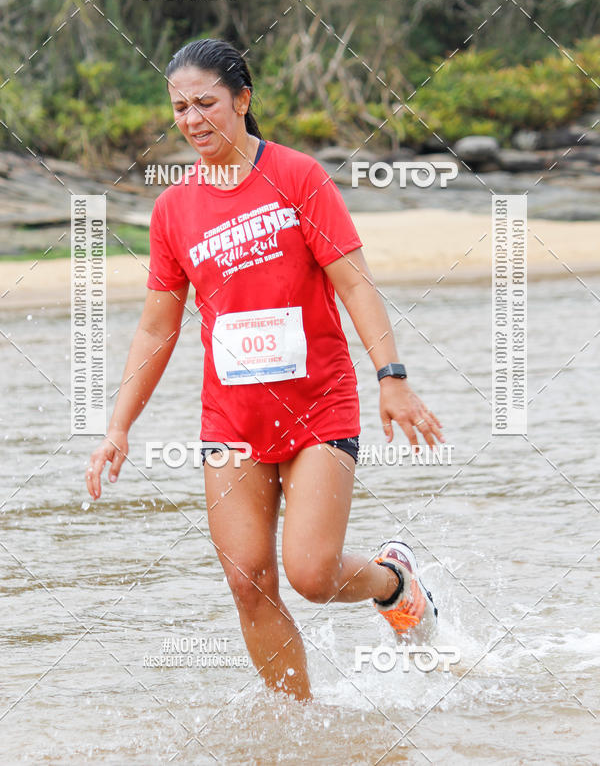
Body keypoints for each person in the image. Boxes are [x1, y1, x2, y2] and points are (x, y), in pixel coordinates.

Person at [87, 38, 445, 702]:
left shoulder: (299, 177)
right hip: (233, 420)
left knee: (311, 574)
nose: (192, 120)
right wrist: (118, 425)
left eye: (206, 103)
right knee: (247, 579)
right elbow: (158, 326)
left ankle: (395, 580)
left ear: (243, 101)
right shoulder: (173, 211)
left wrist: (390, 375)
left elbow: (356, 285)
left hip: (318, 407)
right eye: (179, 108)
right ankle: (297, 728)